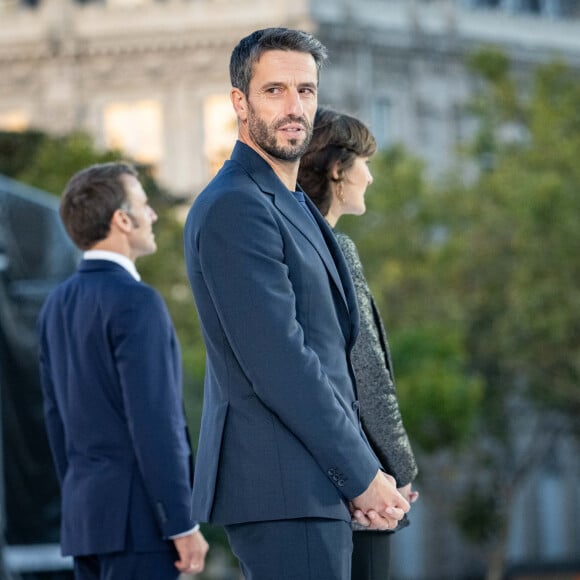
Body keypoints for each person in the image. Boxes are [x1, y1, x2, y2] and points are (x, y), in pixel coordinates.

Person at [183, 27, 410, 580]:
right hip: (281, 487)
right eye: (275, 90)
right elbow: (281, 363)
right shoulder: (234, 205)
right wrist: (362, 474)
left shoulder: (293, 205)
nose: (295, 107)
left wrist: (363, 474)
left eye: (306, 91)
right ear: (240, 101)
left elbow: (335, 357)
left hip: (314, 484)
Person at [37, 162, 209, 580]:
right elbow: (155, 421)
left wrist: (82, 501)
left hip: (87, 522)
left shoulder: (54, 306)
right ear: (122, 219)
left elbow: (56, 421)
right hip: (140, 525)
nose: (152, 216)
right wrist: (181, 523)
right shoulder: (137, 301)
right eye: (144, 205)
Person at [299, 107, 419, 579]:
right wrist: (401, 469)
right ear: (337, 170)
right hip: (364, 483)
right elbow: (366, 371)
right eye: (364, 163)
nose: (369, 176)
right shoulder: (336, 248)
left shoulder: (297, 242)